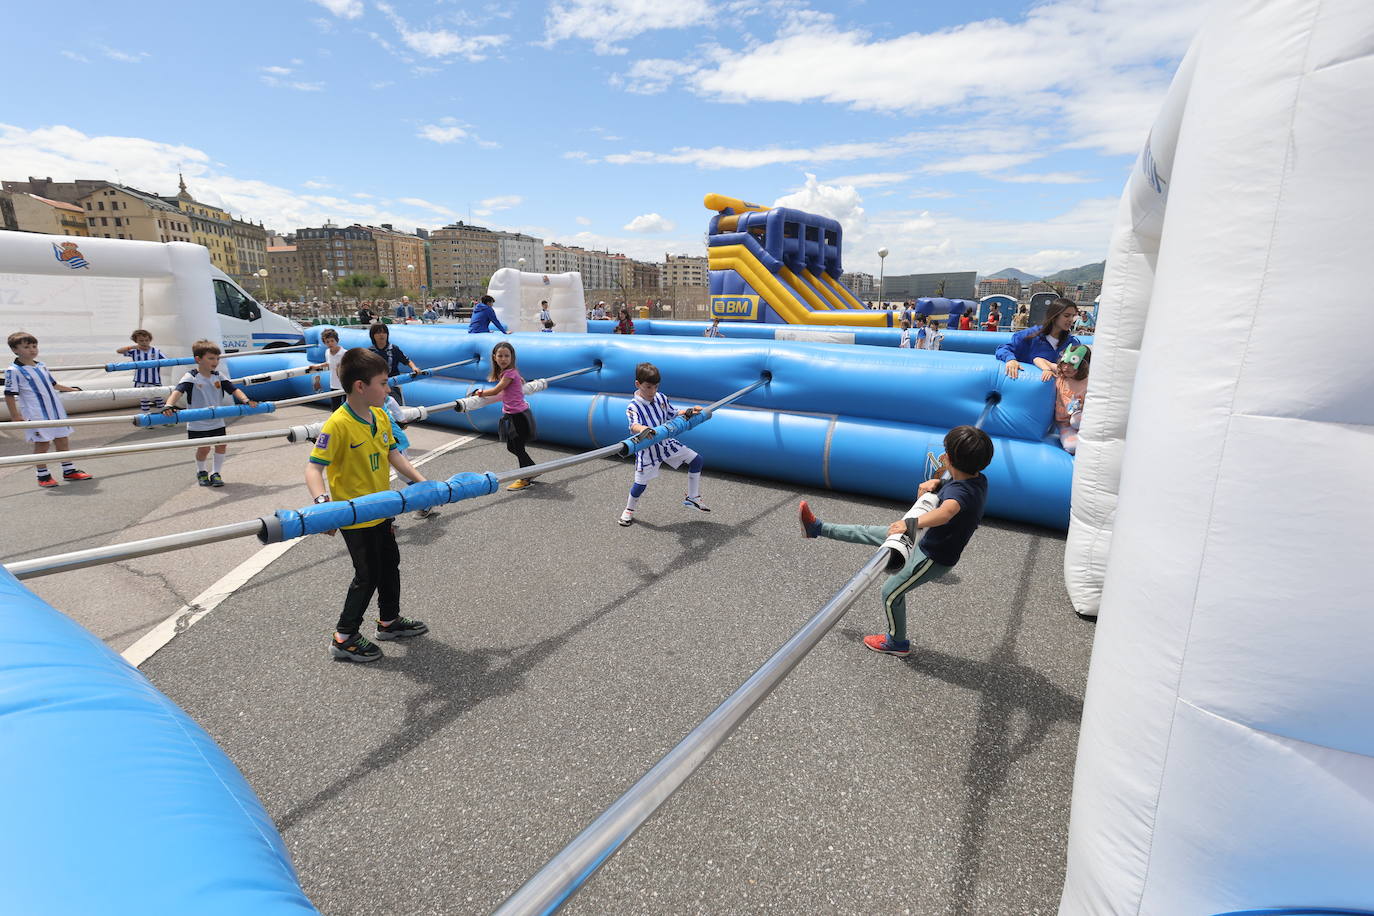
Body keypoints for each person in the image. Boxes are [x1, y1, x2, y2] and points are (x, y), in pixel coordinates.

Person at [797, 424, 993, 656]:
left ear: (947, 458)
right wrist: (939, 483)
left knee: (890, 593)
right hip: (925, 537)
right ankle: (816, 528)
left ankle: (896, 642)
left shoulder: (960, 493)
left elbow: (947, 512)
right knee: (869, 531)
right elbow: (955, 487)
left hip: (932, 556)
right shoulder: (976, 478)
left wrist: (910, 524)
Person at [307, 348, 430, 663]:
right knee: (368, 574)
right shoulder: (337, 425)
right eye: (383, 383)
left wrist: (421, 482)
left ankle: (388, 621)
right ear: (360, 386)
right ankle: (343, 636)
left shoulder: (380, 416)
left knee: (390, 564)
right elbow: (313, 469)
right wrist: (323, 506)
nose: (388, 390)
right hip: (355, 516)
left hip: (382, 510)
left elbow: (393, 454)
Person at [619, 361, 708, 526]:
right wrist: (645, 429)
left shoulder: (661, 397)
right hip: (647, 450)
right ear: (637, 384)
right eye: (648, 387)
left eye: (656, 387)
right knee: (640, 484)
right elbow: (633, 425)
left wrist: (689, 412)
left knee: (697, 460)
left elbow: (672, 413)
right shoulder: (633, 406)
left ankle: (692, 497)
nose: (652, 391)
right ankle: (629, 510)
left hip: (666, 443)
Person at [161, 339, 258, 487]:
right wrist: (168, 405)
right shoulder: (191, 376)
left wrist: (246, 400)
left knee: (221, 445)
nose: (215, 361)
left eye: (217, 358)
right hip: (197, 422)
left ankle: (216, 473)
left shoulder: (218, 376)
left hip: (216, 420)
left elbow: (234, 389)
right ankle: (201, 471)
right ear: (198, 359)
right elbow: (178, 391)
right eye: (211, 358)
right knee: (204, 448)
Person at [4, 331, 93, 488]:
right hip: (36, 414)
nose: (32, 349)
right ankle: (43, 476)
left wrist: (72, 389)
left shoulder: (42, 366)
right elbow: (9, 395)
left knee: (62, 441)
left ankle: (69, 471)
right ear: (15, 350)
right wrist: (15, 416)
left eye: (34, 346)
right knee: (42, 444)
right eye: (26, 347)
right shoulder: (13, 370)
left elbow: (53, 385)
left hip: (56, 412)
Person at [470, 341, 537, 491]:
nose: (503, 359)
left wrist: (478, 392)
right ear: (494, 357)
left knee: (518, 448)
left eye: (507, 356)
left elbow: (495, 391)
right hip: (514, 415)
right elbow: (516, 383)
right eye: (500, 355)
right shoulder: (511, 373)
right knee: (512, 447)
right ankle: (532, 469)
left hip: (518, 416)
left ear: (512, 357)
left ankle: (525, 477)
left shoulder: (509, 373)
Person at [994, 297, 1082, 380]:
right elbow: (1003, 349)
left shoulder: (1072, 344)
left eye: (1073, 316)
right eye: (1066, 316)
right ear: (1054, 316)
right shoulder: (1030, 335)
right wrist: (1010, 360)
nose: (1071, 320)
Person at [367, 323, 421, 404]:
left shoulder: (394, 349)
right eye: (378, 333)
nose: (381, 335)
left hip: (393, 384)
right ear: (373, 336)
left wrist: (414, 367)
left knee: (396, 407)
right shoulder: (370, 352)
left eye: (384, 332)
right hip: (377, 386)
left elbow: (406, 361)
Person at [116, 328, 167, 413]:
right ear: (136, 341)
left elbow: (166, 361)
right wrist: (132, 347)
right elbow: (119, 351)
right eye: (141, 340)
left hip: (155, 380)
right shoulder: (134, 351)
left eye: (146, 340)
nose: (144, 342)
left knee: (159, 399)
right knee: (144, 400)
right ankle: (147, 420)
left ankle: (164, 418)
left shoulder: (156, 351)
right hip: (141, 381)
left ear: (150, 340)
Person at [1054, 344, 1091, 455]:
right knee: (1072, 446)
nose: (1066, 367)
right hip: (1064, 424)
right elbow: (1037, 359)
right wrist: (1046, 369)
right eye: (1064, 363)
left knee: (1077, 421)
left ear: (1083, 365)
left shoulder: (1089, 382)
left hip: (1084, 422)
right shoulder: (1062, 376)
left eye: (1072, 364)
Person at [309, 327, 346, 409]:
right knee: (335, 408)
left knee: (347, 408)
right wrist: (317, 366)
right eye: (327, 342)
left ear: (337, 340)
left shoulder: (344, 353)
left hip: (345, 384)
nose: (330, 343)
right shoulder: (327, 352)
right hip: (334, 384)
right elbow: (329, 363)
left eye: (332, 341)